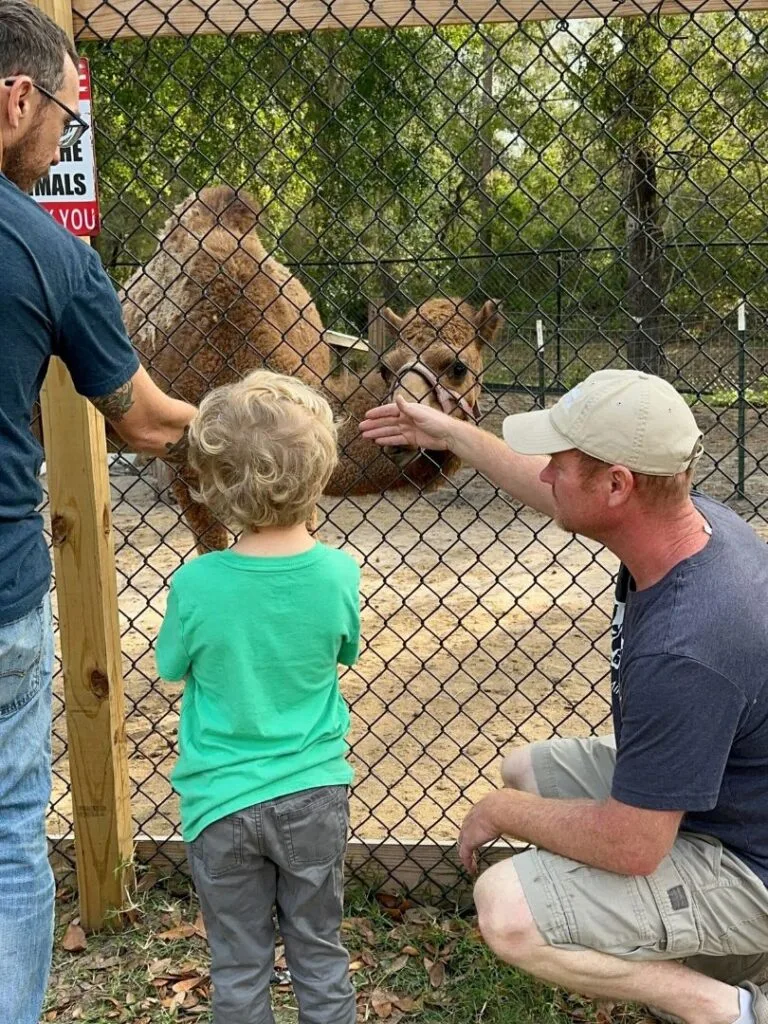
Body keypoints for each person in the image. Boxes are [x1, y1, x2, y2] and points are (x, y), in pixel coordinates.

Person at [361, 367, 768, 1024]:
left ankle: (720, 1003)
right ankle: (685, 943)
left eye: (560, 461)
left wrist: (503, 813)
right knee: (530, 768)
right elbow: (555, 494)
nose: (545, 474)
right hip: (725, 796)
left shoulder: (688, 643)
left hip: (749, 865)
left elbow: (634, 845)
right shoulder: (695, 525)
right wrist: (451, 432)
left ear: (618, 485)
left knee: (508, 909)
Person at [0, 4, 197, 1020]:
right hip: (1, 600)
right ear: (13, 100)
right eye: (64, 123)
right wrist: (273, 426)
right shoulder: (46, 252)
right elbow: (149, 423)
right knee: (6, 840)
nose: (64, 141)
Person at [156, 370, 360, 1024]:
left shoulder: (198, 583)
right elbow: (344, 651)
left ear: (213, 482)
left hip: (220, 801)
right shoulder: (337, 573)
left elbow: (169, 665)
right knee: (319, 949)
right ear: (321, 470)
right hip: (314, 792)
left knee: (239, 962)